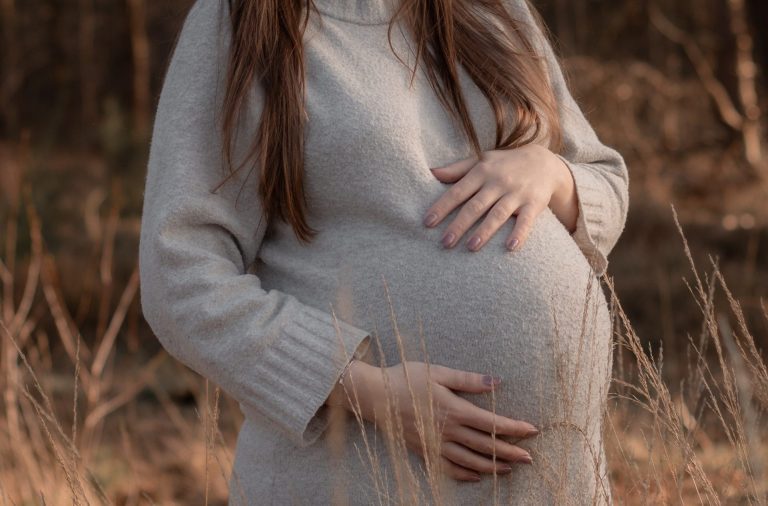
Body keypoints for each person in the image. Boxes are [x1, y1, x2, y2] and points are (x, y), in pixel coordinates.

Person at [138, 0, 629, 503]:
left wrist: (551, 172)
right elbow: (180, 274)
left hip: (555, 482)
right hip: (354, 476)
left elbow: (605, 184)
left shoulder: (499, 9)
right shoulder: (242, 17)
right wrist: (366, 391)